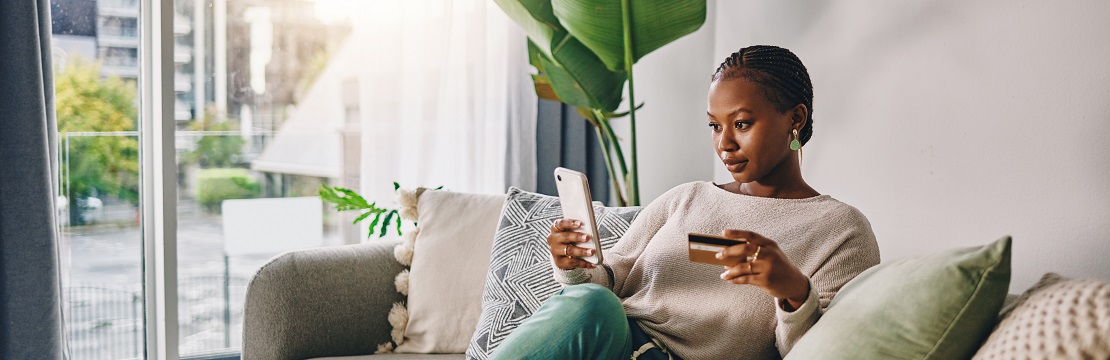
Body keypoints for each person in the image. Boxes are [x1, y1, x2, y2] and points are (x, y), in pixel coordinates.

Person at [489, 45, 881, 360]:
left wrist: (792, 291)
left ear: (795, 119)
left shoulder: (841, 230)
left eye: (742, 124)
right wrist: (575, 266)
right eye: (715, 125)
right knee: (592, 301)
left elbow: (822, 351)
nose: (724, 143)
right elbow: (610, 279)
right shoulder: (687, 197)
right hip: (611, 340)